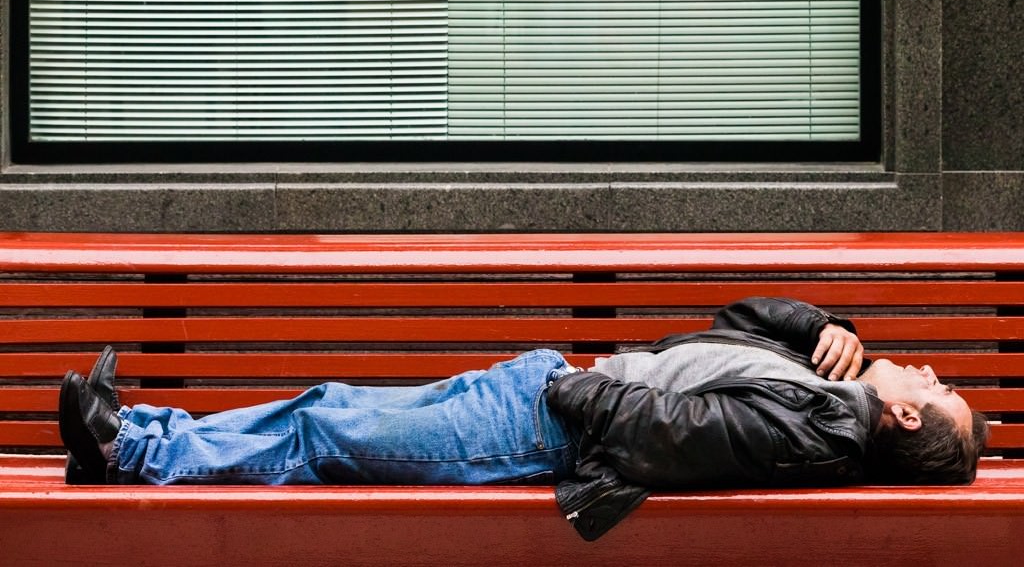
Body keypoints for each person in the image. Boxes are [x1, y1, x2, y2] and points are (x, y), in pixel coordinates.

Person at [58, 297, 989, 541]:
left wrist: (569, 393)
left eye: (939, 385)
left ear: (906, 420)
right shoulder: (829, 386)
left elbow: (679, 436)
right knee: (331, 414)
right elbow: (727, 326)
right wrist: (823, 324)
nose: (933, 367)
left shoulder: (820, 431)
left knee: (327, 431)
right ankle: (139, 435)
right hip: (547, 395)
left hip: (546, 424)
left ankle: (129, 446)